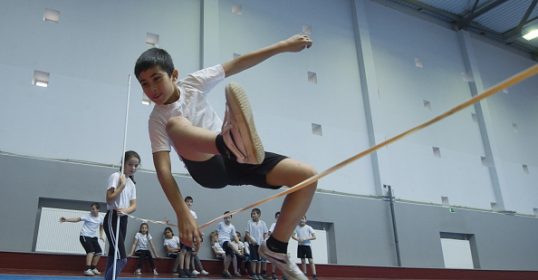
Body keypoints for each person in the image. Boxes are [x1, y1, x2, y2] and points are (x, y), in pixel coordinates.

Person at [134, 33, 317, 280]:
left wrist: (284, 46)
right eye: (144, 83)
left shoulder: (193, 83)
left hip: (241, 159)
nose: (152, 89)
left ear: (174, 75)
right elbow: (163, 170)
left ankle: (276, 247)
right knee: (175, 124)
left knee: (307, 177)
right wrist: (182, 212)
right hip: (209, 168)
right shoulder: (157, 119)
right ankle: (229, 142)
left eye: (156, 78)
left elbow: (237, 64)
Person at [103, 150, 140, 280]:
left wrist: (126, 210)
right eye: (130, 164)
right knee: (122, 259)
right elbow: (109, 199)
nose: (133, 168)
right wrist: (122, 185)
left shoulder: (132, 184)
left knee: (114, 255)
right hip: (112, 218)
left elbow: (134, 206)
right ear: (123, 163)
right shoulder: (116, 177)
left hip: (123, 219)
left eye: (136, 165)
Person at [59, 202, 105, 276]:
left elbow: (101, 226)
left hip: (93, 237)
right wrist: (66, 219)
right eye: (91, 209)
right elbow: (77, 219)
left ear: (98, 210)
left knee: (99, 252)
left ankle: (93, 268)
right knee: (91, 251)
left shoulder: (101, 217)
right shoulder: (87, 216)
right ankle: (87, 269)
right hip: (84, 236)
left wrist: (101, 235)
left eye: (93, 209)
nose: (92, 211)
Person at [184, 196, 209, 276]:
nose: (189, 203)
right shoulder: (182, 211)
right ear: (184, 203)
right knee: (188, 251)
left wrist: (199, 232)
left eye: (191, 202)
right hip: (185, 233)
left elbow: (195, 224)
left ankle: (198, 269)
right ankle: (192, 269)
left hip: (192, 234)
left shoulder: (193, 213)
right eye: (187, 201)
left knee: (193, 252)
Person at [245, 208, 268, 280]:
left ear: (259, 215)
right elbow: (247, 233)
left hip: (260, 244)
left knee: (259, 259)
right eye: (252, 214)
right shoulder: (249, 222)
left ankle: (259, 274)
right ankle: (254, 274)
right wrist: (251, 239)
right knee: (254, 259)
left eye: (255, 213)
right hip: (253, 244)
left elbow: (265, 233)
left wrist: (265, 241)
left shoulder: (263, 223)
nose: (253, 215)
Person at [216, 211, 241, 278]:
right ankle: (238, 252)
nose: (227, 219)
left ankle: (225, 271)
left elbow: (235, 236)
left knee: (229, 255)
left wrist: (239, 243)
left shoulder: (232, 227)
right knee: (230, 244)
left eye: (229, 217)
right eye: (225, 218)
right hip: (222, 241)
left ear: (231, 218)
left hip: (227, 241)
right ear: (223, 218)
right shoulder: (220, 224)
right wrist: (217, 240)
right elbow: (217, 232)